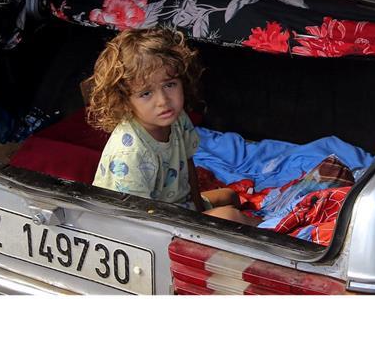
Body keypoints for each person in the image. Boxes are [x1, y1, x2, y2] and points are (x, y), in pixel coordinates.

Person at [86, 27, 258, 225]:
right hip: (150, 222)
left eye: (169, 85)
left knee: (229, 196)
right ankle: (272, 232)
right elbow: (133, 222)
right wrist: (204, 224)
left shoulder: (177, 118)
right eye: (145, 93)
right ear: (125, 101)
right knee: (231, 217)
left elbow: (188, 163)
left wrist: (200, 211)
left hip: (178, 205)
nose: (163, 101)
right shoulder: (130, 153)